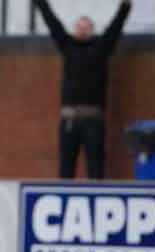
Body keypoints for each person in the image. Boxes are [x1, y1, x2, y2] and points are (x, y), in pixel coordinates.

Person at [35, 0, 132, 179]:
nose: (82, 30)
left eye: (86, 27)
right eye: (79, 27)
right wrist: (41, 3)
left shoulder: (101, 48)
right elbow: (52, 23)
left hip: (93, 121)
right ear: (74, 30)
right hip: (69, 120)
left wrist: (125, 6)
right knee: (66, 169)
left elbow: (115, 27)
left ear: (92, 30)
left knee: (95, 168)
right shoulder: (67, 47)